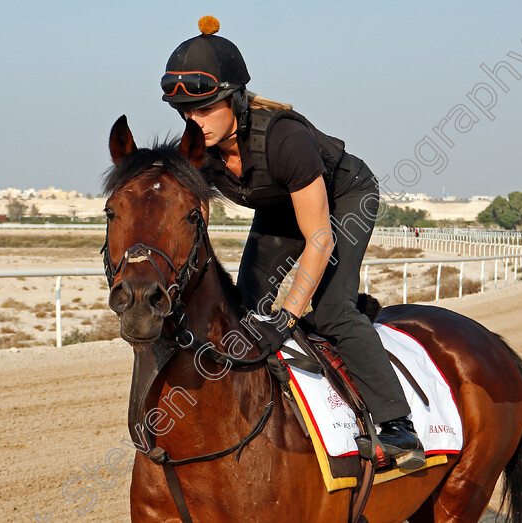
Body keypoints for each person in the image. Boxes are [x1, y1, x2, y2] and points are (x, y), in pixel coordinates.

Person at [161, 16, 424, 468]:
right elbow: (191, 230)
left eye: (205, 108)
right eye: (185, 112)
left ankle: (398, 427)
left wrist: (287, 317)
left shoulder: (284, 137)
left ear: (236, 98)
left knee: (329, 309)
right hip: (281, 204)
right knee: (242, 307)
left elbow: (319, 236)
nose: (194, 121)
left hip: (343, 198)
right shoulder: (199, 153)